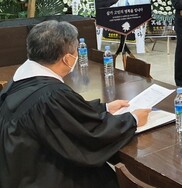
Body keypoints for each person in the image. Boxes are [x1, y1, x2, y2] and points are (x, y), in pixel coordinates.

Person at [0, 20, 150, 188]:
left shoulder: (21, 78)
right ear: (67, 59)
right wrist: (133, 119)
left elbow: (64, 116)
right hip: (41, 176)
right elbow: (89, 136)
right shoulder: (51, 95)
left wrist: (105, 108)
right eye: (76, 50)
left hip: (17, 170)